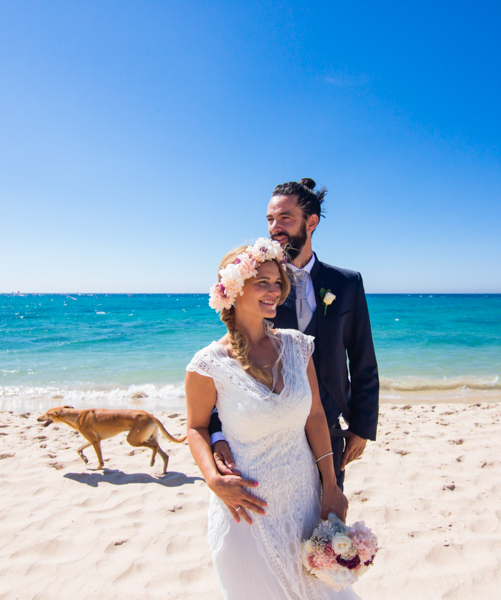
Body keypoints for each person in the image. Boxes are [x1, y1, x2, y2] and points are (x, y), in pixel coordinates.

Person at [185, 238, 360, 600]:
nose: (274, 290)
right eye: (262, 281)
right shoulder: (207, 365)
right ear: (233, 288)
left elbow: (314, 416)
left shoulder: (298, 346)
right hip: (247, 515)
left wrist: (331, 485)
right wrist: (213, 479)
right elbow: (197, 427)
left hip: (305, 504)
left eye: (277, 282)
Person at [210, 178, 379, 499]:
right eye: (270, 219)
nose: (275, 227)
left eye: (285, 218)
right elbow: (230, 360)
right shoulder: (258, 285)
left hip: (330, 427)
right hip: (270, 431)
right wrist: (217, 433)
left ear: (311, 222)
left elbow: (362, 359)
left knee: (326, 523)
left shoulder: (346, 283)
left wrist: (361, 427)